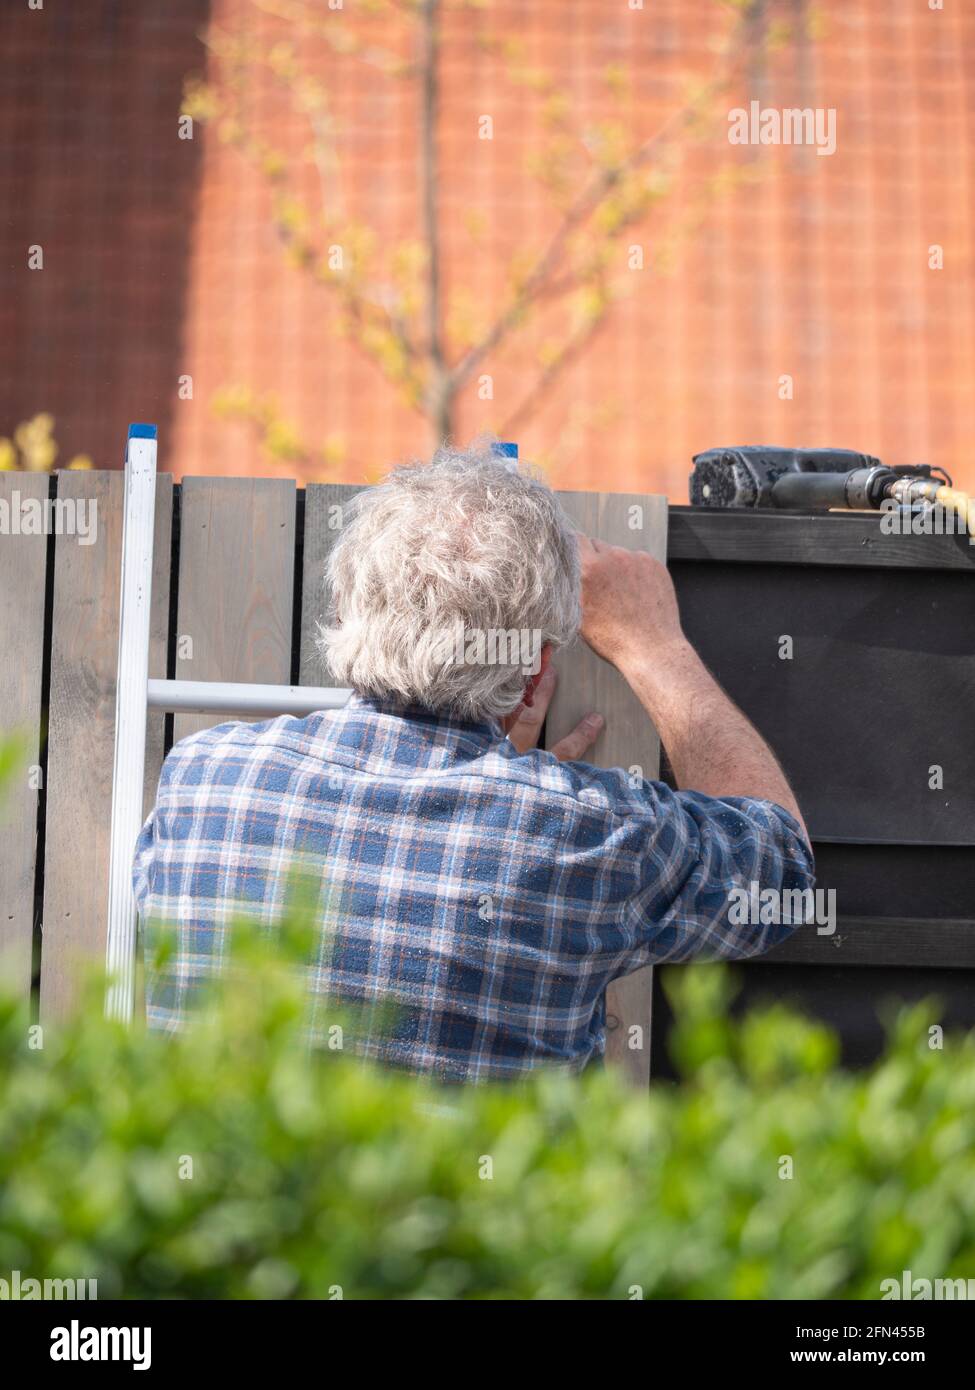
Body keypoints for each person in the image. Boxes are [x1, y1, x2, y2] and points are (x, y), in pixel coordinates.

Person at [133, 442, 813, 1082]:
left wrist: (498, 781)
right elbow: (778, 871)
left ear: (344, 606)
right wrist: (653, 646)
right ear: (538, 662)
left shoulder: (203, 778)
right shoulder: (592, 834)